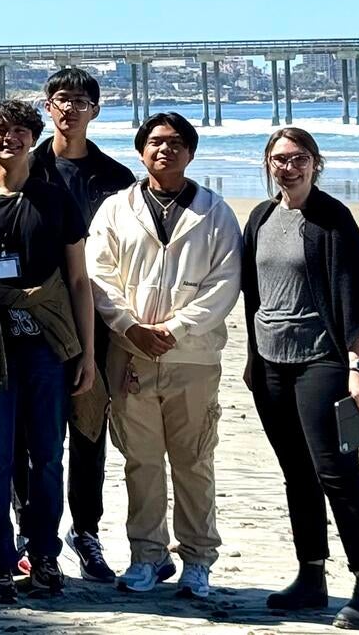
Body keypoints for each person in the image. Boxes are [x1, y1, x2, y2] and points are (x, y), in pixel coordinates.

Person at [0, 100, 96, 603]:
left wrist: (87, 353)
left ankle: (46, 555)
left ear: (34, 138)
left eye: (20, 132)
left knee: (48, 456)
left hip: (46, 347)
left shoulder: (55, 200)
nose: (10, 140)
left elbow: (77, 280)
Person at [241, 127, 359, 630]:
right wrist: (252, 359)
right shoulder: (262, 216)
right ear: (267, 164)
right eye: (280, 158)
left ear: (315, 163)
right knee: (297, 473)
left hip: (321, 361)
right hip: (271, 363)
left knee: (336, 472)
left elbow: (358, 300)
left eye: (299, 158)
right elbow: (252, 293)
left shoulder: (332, 219)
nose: (289, 167)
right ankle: (311, 577)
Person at [86, 113, 241, 598]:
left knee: (194, 461)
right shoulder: (116, 208)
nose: (164, 150)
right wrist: (129, 326)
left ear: (191, 152)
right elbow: (98, 274)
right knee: (142, 462)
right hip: (130, 355)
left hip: (192, 357)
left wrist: (173, 329)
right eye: (155, 142)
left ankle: (197, 560)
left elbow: (224, 284)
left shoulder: (215, 212)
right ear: (140, 150)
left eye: (176, 143)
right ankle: (147, 557)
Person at [19, 67, 137, 583]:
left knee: (88, 431)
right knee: (30, 434)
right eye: (61, 99)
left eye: (80, 100)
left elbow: (131, 258)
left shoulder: (116, 179)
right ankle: (30, 531)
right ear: (48, 108)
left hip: (98, 323)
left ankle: (85, 532)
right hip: (35, 320)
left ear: (95, 109)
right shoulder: (27, 167)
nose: (69, 108)